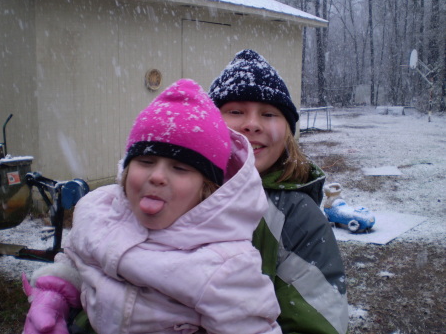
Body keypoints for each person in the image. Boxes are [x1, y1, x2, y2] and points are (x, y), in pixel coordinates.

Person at [22, 79, 283, 334]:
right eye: (145, 161)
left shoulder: (222, 265)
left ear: (207, 191)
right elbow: (78, 258)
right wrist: (53, 294)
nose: (157, 176)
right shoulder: (100, 212)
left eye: (180, 168)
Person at [208, 49, 349, 334]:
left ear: (286, 132)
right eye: (235, 111)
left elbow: (320, 323)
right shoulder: (173, 194)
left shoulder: (297, 218)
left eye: (269, 114)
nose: (252, 124)